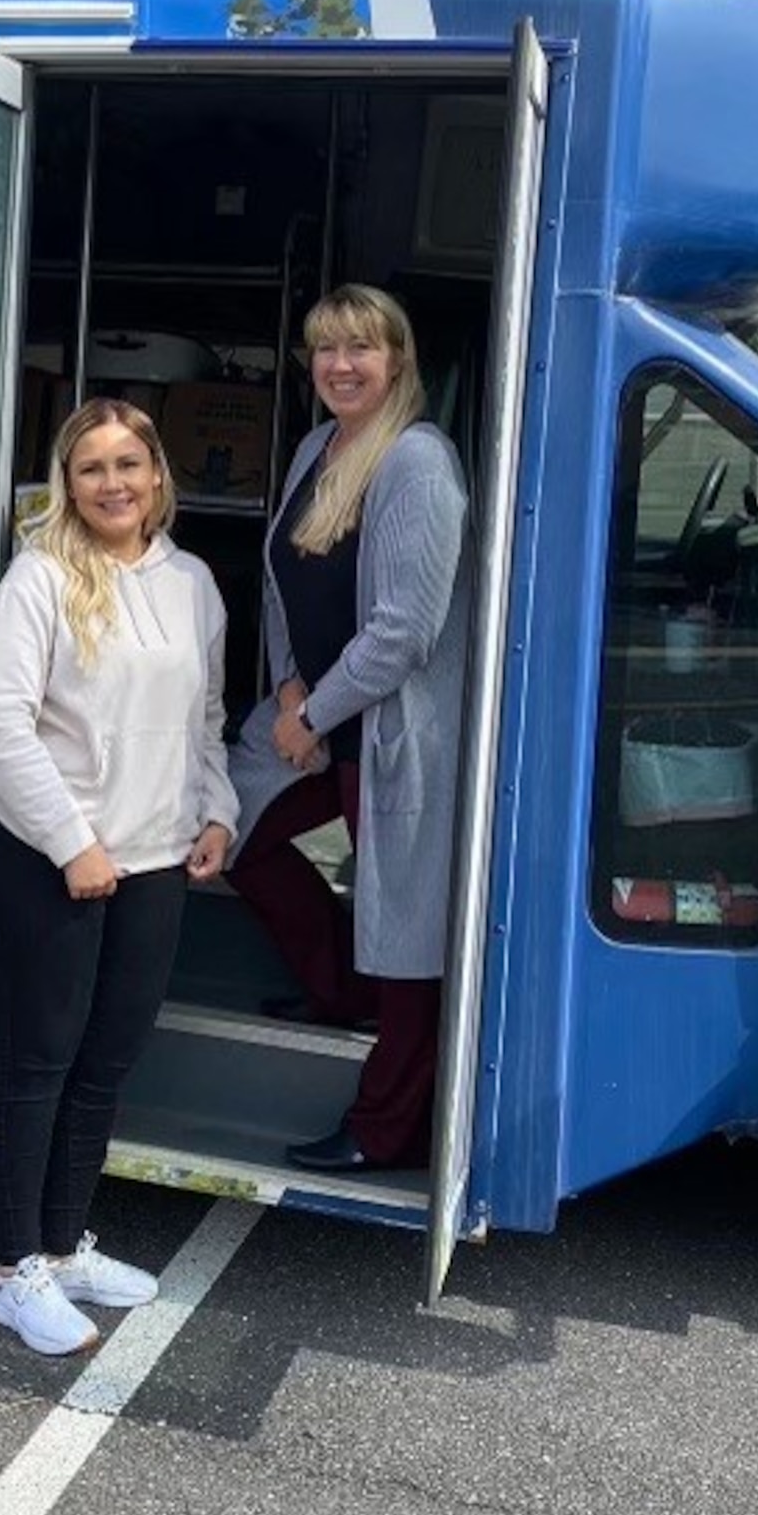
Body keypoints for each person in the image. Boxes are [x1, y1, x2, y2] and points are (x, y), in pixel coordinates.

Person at [0, 397, 238, 1355]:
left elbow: (206, 716)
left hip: (156, 860)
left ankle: (60, 1241)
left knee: (103, 1060)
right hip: (48, 862)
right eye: (92, 468)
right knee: (32, 1062)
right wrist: (71, 840)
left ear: (159, 475)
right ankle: (12, 1270)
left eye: (130, 464)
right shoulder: (39, 578)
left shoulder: (195, 583)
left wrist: (219, 810)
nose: (113, 483)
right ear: (68, 484)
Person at [226, 283, 469, 1172]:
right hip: (310, 713)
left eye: (361, 347)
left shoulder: (417, 462)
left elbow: (406, 629)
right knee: (226, 829)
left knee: (410, 941)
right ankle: (337, 989)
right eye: (325, 349)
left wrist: (319, 711)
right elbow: (281, 578)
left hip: (388, 732)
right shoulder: (315, 447)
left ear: (397, 359)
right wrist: (291, 690)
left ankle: (386, 1126)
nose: (340, 365)